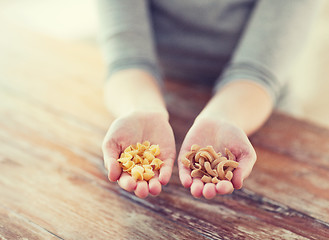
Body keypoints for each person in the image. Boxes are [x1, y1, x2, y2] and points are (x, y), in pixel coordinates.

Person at [98, 0, 320, 199]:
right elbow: (127, 61)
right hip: (162, 96)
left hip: (253, 110)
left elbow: (257, 74)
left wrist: (224, 117)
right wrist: (142, 109)